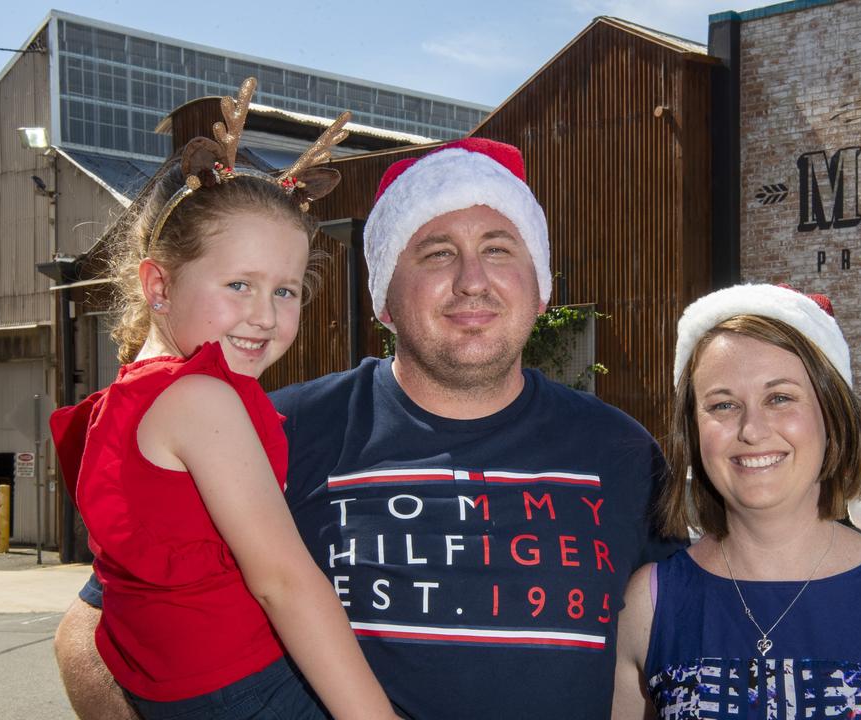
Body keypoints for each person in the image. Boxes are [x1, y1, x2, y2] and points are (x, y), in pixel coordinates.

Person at [55, 136, 681, 719]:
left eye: (498, 248)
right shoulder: (279, 428)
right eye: (437, 253)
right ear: (383, 296)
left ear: (540, 286)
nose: (472, 280)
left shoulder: (623, 450)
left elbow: (674, 645)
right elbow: (98, 623)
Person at [48, 78, 397, 719]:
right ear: (158, 285)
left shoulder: (123, 398)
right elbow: (283, 583)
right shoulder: (204, 398)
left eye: (286, 291)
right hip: (248, 691)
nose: (263, 316)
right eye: (239, 283)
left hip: (169, 693)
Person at [611, 283, 861, 720]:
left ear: (831, 417)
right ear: (693, 431)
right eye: (722, 404)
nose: (752, 429)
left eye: (779, 398)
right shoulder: (650, 601)